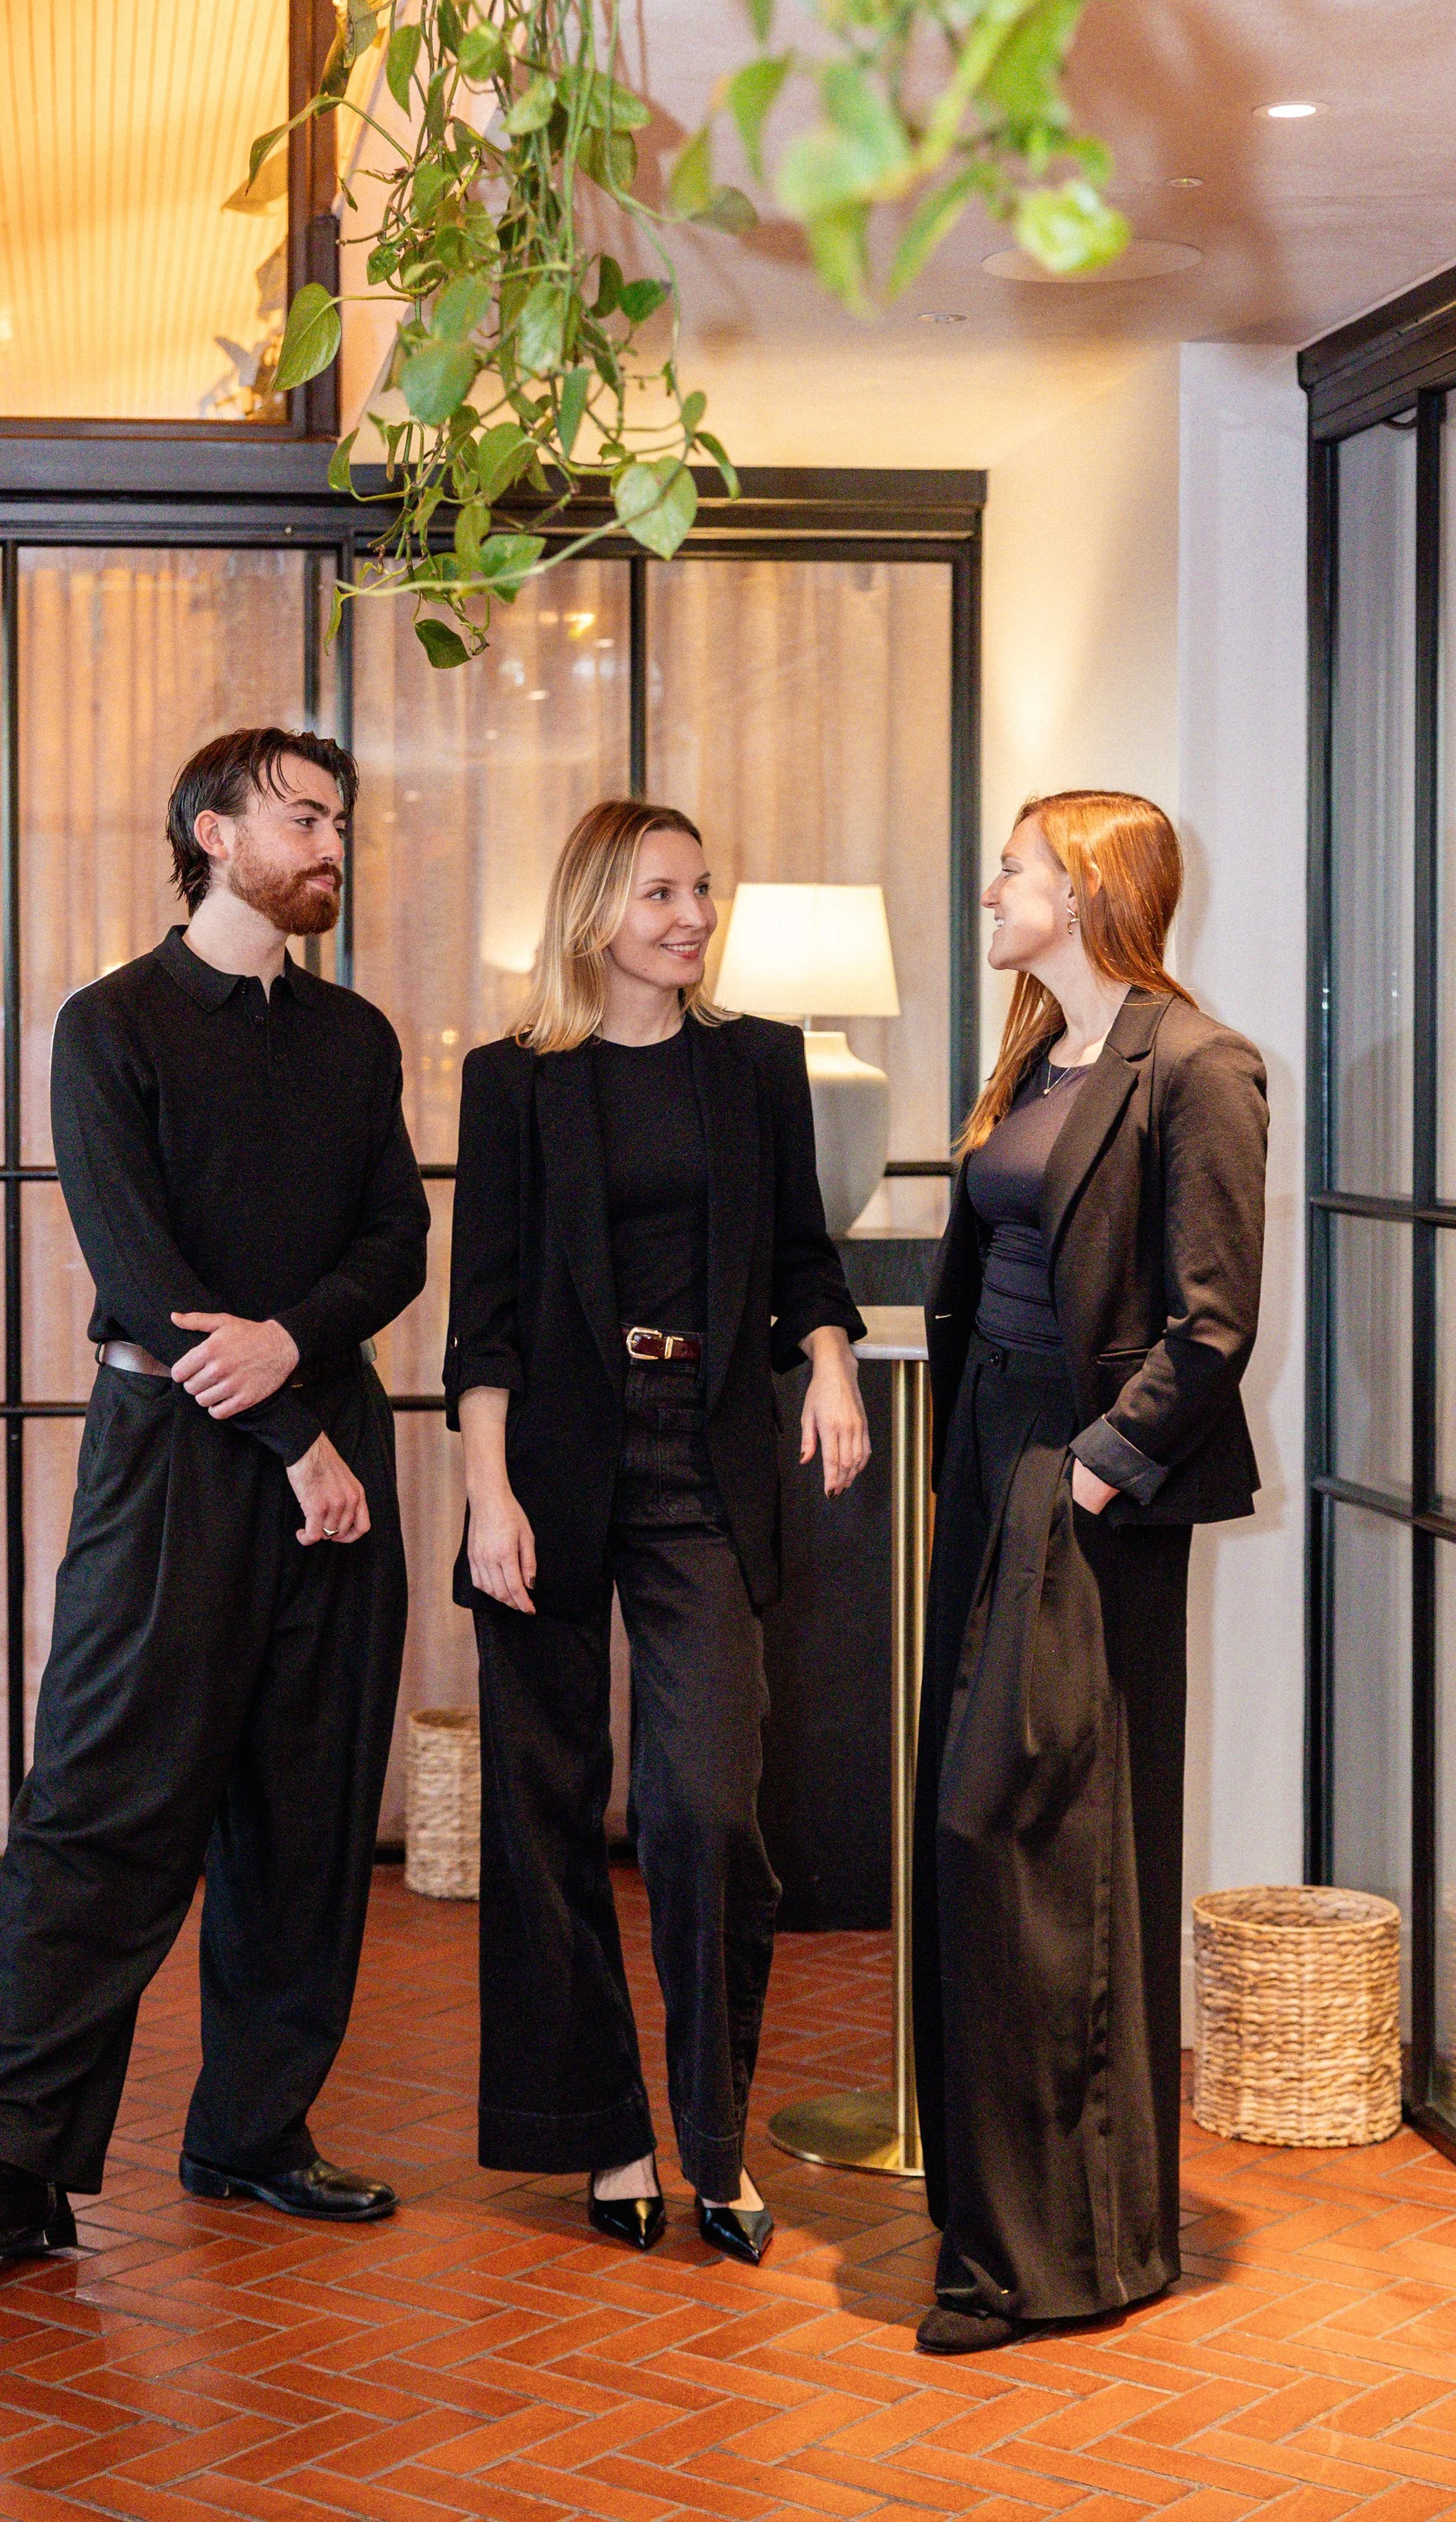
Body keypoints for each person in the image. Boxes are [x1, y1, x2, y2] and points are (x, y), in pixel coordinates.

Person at [0, 727, 428, 2262]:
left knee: (306, 1816)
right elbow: (136, 1278)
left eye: (340, 817)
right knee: (101, 1807)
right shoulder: (108, 1024)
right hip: (183, 1465)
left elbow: (393, 1244)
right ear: (211, 831)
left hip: (329, 1453)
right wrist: (292, 1436)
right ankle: (18, 2168)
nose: (331, 841)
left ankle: (254, 2136)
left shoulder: (352, 1037)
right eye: (302, 816)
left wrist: (292, 1350)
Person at [445, 799, 871, 2267]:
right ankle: (603, 2137)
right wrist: (484, 1492)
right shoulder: (511, 1084)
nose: (690, 918)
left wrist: (823, 1365)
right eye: (659, 895)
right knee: (544, 1814)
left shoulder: (755, 1064)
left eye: (701, 891)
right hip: (553, 1463)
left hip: (701, 1457)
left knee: (700, 1807)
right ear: (592, 914)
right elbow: (481, 1315)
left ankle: (711, 2139)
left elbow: (804, 1257)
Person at [912, 790, 1267, 2354]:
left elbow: (1210, 1324)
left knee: (1058, 1852)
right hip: (992, 1465)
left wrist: (1090, 1481)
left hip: (1081, 1488)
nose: (989, 888)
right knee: (976, 1844)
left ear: (1086, 886)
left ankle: (1070, 2250)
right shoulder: (1034, 1053)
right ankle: (989, 2226)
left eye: (1011, 869)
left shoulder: (1195, 1066)